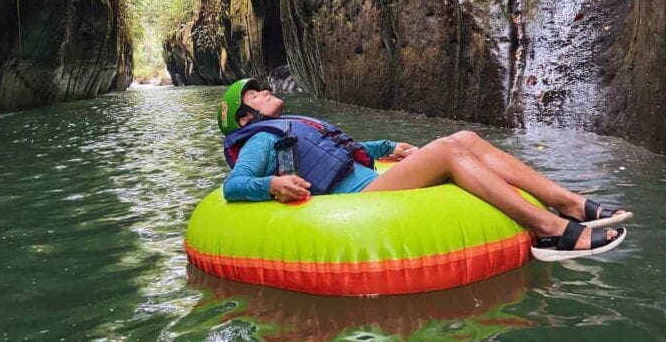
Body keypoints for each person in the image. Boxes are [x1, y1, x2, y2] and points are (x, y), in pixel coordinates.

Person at [217, 79, 632, 261]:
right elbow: (235, 186)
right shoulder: (260, 139)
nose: (265, 91)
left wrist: (387, 147)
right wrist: (271, 184)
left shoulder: (293, 127)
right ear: (243, 118)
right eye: (254, 94)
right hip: (358, 201)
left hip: (373, 181)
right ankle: (551, 231)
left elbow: (349, 150)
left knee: (466, 137)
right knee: (450, 150)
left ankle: (569, 203)